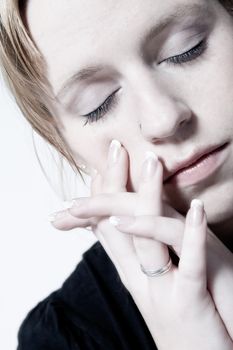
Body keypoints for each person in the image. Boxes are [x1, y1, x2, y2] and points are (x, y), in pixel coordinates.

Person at [1, 0, 233, 349]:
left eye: (186, 50)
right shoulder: (65, 339)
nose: (163, 119)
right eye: (99, 103)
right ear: (60, 137)